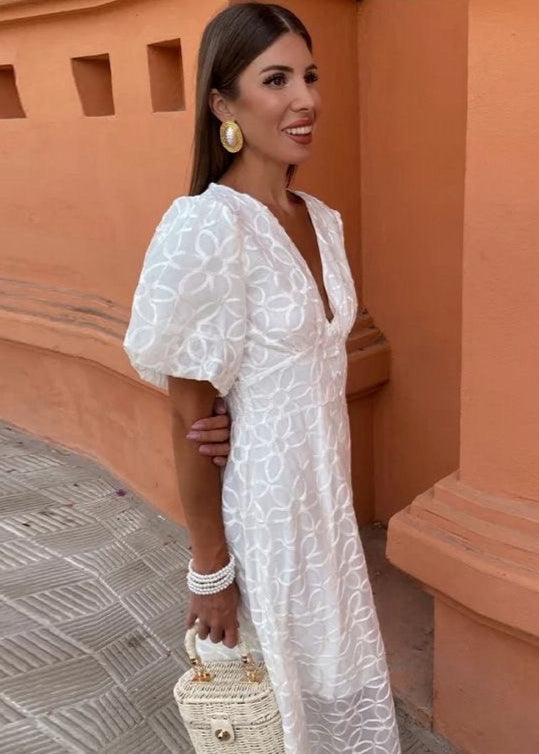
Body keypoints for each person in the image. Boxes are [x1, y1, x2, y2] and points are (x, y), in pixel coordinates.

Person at [123, 3, 401, 752]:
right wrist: (210, 572)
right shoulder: (208, 226)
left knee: (332, 687)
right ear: (223, 104)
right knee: (275, 714)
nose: (305, 99)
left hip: (327, 509)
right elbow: (189, 418)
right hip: (263, 517)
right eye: (275, 80)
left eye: (310, 76)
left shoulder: (322, 219)